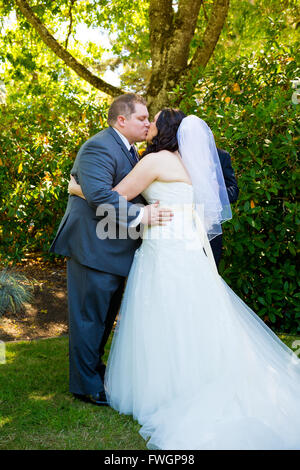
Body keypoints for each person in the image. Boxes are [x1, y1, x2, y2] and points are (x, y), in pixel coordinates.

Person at [68, 111, 300, 450]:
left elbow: (112, 198)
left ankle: (170, 388)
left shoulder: (156, 161)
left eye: (155, 120)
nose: (149, 125)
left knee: (164, 318)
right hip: (188, 250)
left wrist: (77, 187)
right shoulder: (189, 162)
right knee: (194, 317)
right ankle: (203, 378)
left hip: (164, 249)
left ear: (167, 130)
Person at [49, 94, 174, 406]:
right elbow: (102, 196)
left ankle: (93, 370)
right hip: (93, 246)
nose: (148, 124)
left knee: (103, 319)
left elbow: (127, 189)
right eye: (142, 118)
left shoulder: (131, 150)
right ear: (122, 120)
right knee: (89, 319)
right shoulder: (98, 146)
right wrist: (143, 215)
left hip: (115, 249)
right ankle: (85, 386)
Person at [210, 148, 239, 267]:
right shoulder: (176, 154)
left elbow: (234, 192)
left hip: (211, 229)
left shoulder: (221, 156)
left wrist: (217, 190)